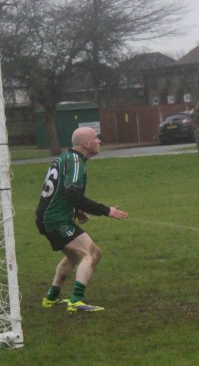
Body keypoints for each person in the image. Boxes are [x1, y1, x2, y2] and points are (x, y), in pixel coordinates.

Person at [36, 127, 129, 313]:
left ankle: (51, 297)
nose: (99, 141)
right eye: (96, 138)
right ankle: (76, 301)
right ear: (86, 144)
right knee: (92, 253)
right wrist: (105, 210)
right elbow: (71, 192)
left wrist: (77, 211)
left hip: (46, 217)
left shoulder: (63, 159)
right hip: (56, 219)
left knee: (73, 255)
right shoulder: (76, 162)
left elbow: (61, 191)